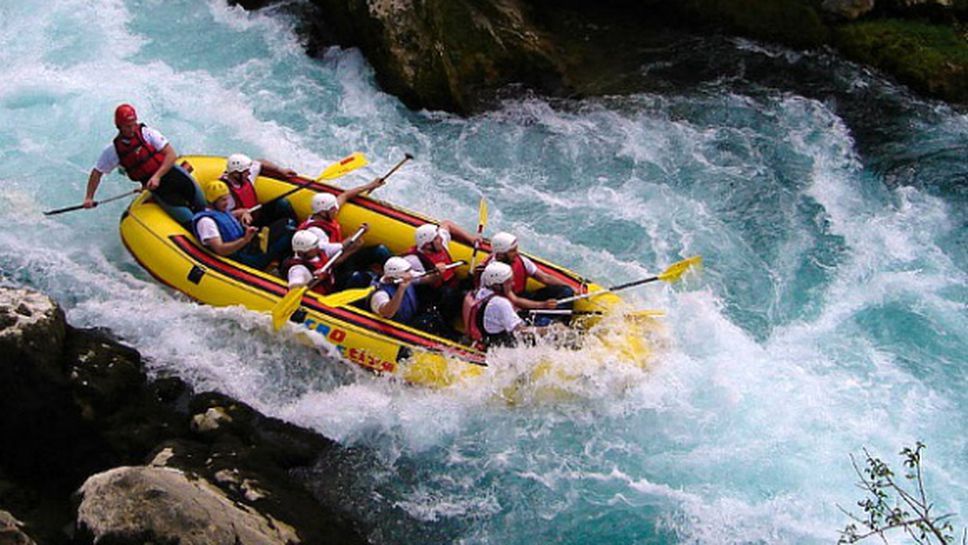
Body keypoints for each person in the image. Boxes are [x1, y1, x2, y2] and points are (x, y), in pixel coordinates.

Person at [84, 103, 205, 227]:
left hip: (175, 174)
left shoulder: (147, 133)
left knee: (202, 205)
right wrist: (89, 197)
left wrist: (157, 176)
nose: (132, 129)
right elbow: (96, 173)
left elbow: (171, 155)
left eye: (133, 124)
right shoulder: (113, 151)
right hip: (160, 190)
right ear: (119, 126)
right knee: (190, 222)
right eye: (128, 126)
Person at [300, 183, 391, 288]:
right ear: (323, 213)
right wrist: (353, 248)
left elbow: (345, 195)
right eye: (333, 209)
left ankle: (400, 272)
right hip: (334, 269)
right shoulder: (315, 234)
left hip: (342, 255)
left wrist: (370, 185)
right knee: (356, 277)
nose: (336, 210)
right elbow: (332, 261)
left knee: (380, 250)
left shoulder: (326, 213)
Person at [191, 180, 290, 270]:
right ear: (213, 202)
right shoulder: (206, 223)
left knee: (287, 223)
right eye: (223, 200)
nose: (227, 203)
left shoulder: (220, 211)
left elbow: (239, 212)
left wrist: (245, 214)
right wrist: (245, 240)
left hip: (248, 248)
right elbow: (220, 249)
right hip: (244, 259)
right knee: (288, 233)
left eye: (227, 199)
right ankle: (285, 266)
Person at [402, 221, 482, 325]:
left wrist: (471, 238)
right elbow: (419, 280)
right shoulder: (413, 260)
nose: (441, 238)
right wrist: (437, 274)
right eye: (436, 238)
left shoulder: (440, 243)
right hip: (434, 296)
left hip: (453, 285)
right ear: (427, 245)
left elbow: (447, 223)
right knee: (450, 294)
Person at [477, 232, 574, 314]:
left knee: (566, 291)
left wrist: (570, 286)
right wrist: (542, 305)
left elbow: (545, 278)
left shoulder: (521, 260)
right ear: (500, 254)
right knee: (544, 321)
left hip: (522, 296)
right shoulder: (493, 273)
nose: (517, 253)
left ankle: (557, 319)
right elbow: (514, 300)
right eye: (512, 251)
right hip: (508, 307)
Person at [464, 261, 554, 348]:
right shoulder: (500, 303)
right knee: (548, 325)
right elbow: (520, 331)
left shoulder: (481, 292)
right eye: (508, 282)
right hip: (499, 345)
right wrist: (550, 330)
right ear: (497, 285)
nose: (513, 284)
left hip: (486, 334)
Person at [369, 256, 451, 334]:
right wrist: (401, 289)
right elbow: (388, 313)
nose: (411, 274)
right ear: (397, 276)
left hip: (412, 318)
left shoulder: (406, 277)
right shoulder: (379, 294)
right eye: (407, 271)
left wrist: (438, 273)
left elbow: (428, 279)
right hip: (397, 329)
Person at [219, 153, 298, 228]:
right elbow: (219, 216)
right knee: (287, 225)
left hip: (256, 216)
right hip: (241, 225)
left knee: (282, 203)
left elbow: (260, 162)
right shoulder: (224, 190)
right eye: (246, 172)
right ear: (236, 174)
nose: (249, 173)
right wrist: (241, 212)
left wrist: (281, 170)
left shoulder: (245, 177)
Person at [280, 229, 365, 295]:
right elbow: (294, 288)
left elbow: (342, 246)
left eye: (316, 246)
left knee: (360, 277)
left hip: (332, 284)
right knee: (356, 279)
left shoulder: (318, 248)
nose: (317, 249)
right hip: (321, 297)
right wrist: (314, 281)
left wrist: (358, 235)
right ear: (301, 253)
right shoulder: (298, 270)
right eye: (312, 248)